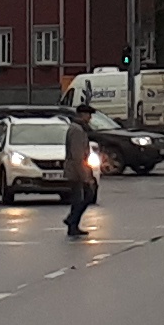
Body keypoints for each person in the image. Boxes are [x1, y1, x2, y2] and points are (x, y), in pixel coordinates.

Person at [62, 102, 101, 240]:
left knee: (78, 199)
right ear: (82, 115)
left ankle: (73, 225)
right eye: (88, 115)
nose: (90, 118)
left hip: (77, 169)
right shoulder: (77, 130)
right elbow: (78, 156)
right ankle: (71, 220)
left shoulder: (78, 128)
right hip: (77, 170)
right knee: (86, 196)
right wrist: (86, 176)